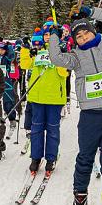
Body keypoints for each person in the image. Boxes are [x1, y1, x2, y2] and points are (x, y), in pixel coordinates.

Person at [48, 3, 102, 205]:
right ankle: (79, 199)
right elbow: (55, 58)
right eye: (79, 36)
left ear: (94, 31)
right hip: (90, 118)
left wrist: (91, 11)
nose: (83, 38)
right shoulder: (75, 58)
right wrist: (54, 35)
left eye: (86, 33)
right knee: (84, 159)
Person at [19, 27, 68, 173]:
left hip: (54, 98)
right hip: (37, 97)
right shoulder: (38, 51)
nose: (47, 37)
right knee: (37, 129)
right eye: (46, 35)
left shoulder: (62, 50)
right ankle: (35, 157)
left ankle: (51, 159)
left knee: (53, 130)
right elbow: (25, 64)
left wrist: (59, 53)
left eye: (51, 35)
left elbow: (63, 72)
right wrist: (25, 49)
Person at [0, 42, 19, 134]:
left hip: (6, 82)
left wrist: (9, 46)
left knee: (8, 103)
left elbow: (12, 55)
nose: (0, 52)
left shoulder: (7, 58)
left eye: (2, 50)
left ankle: (12, 119)